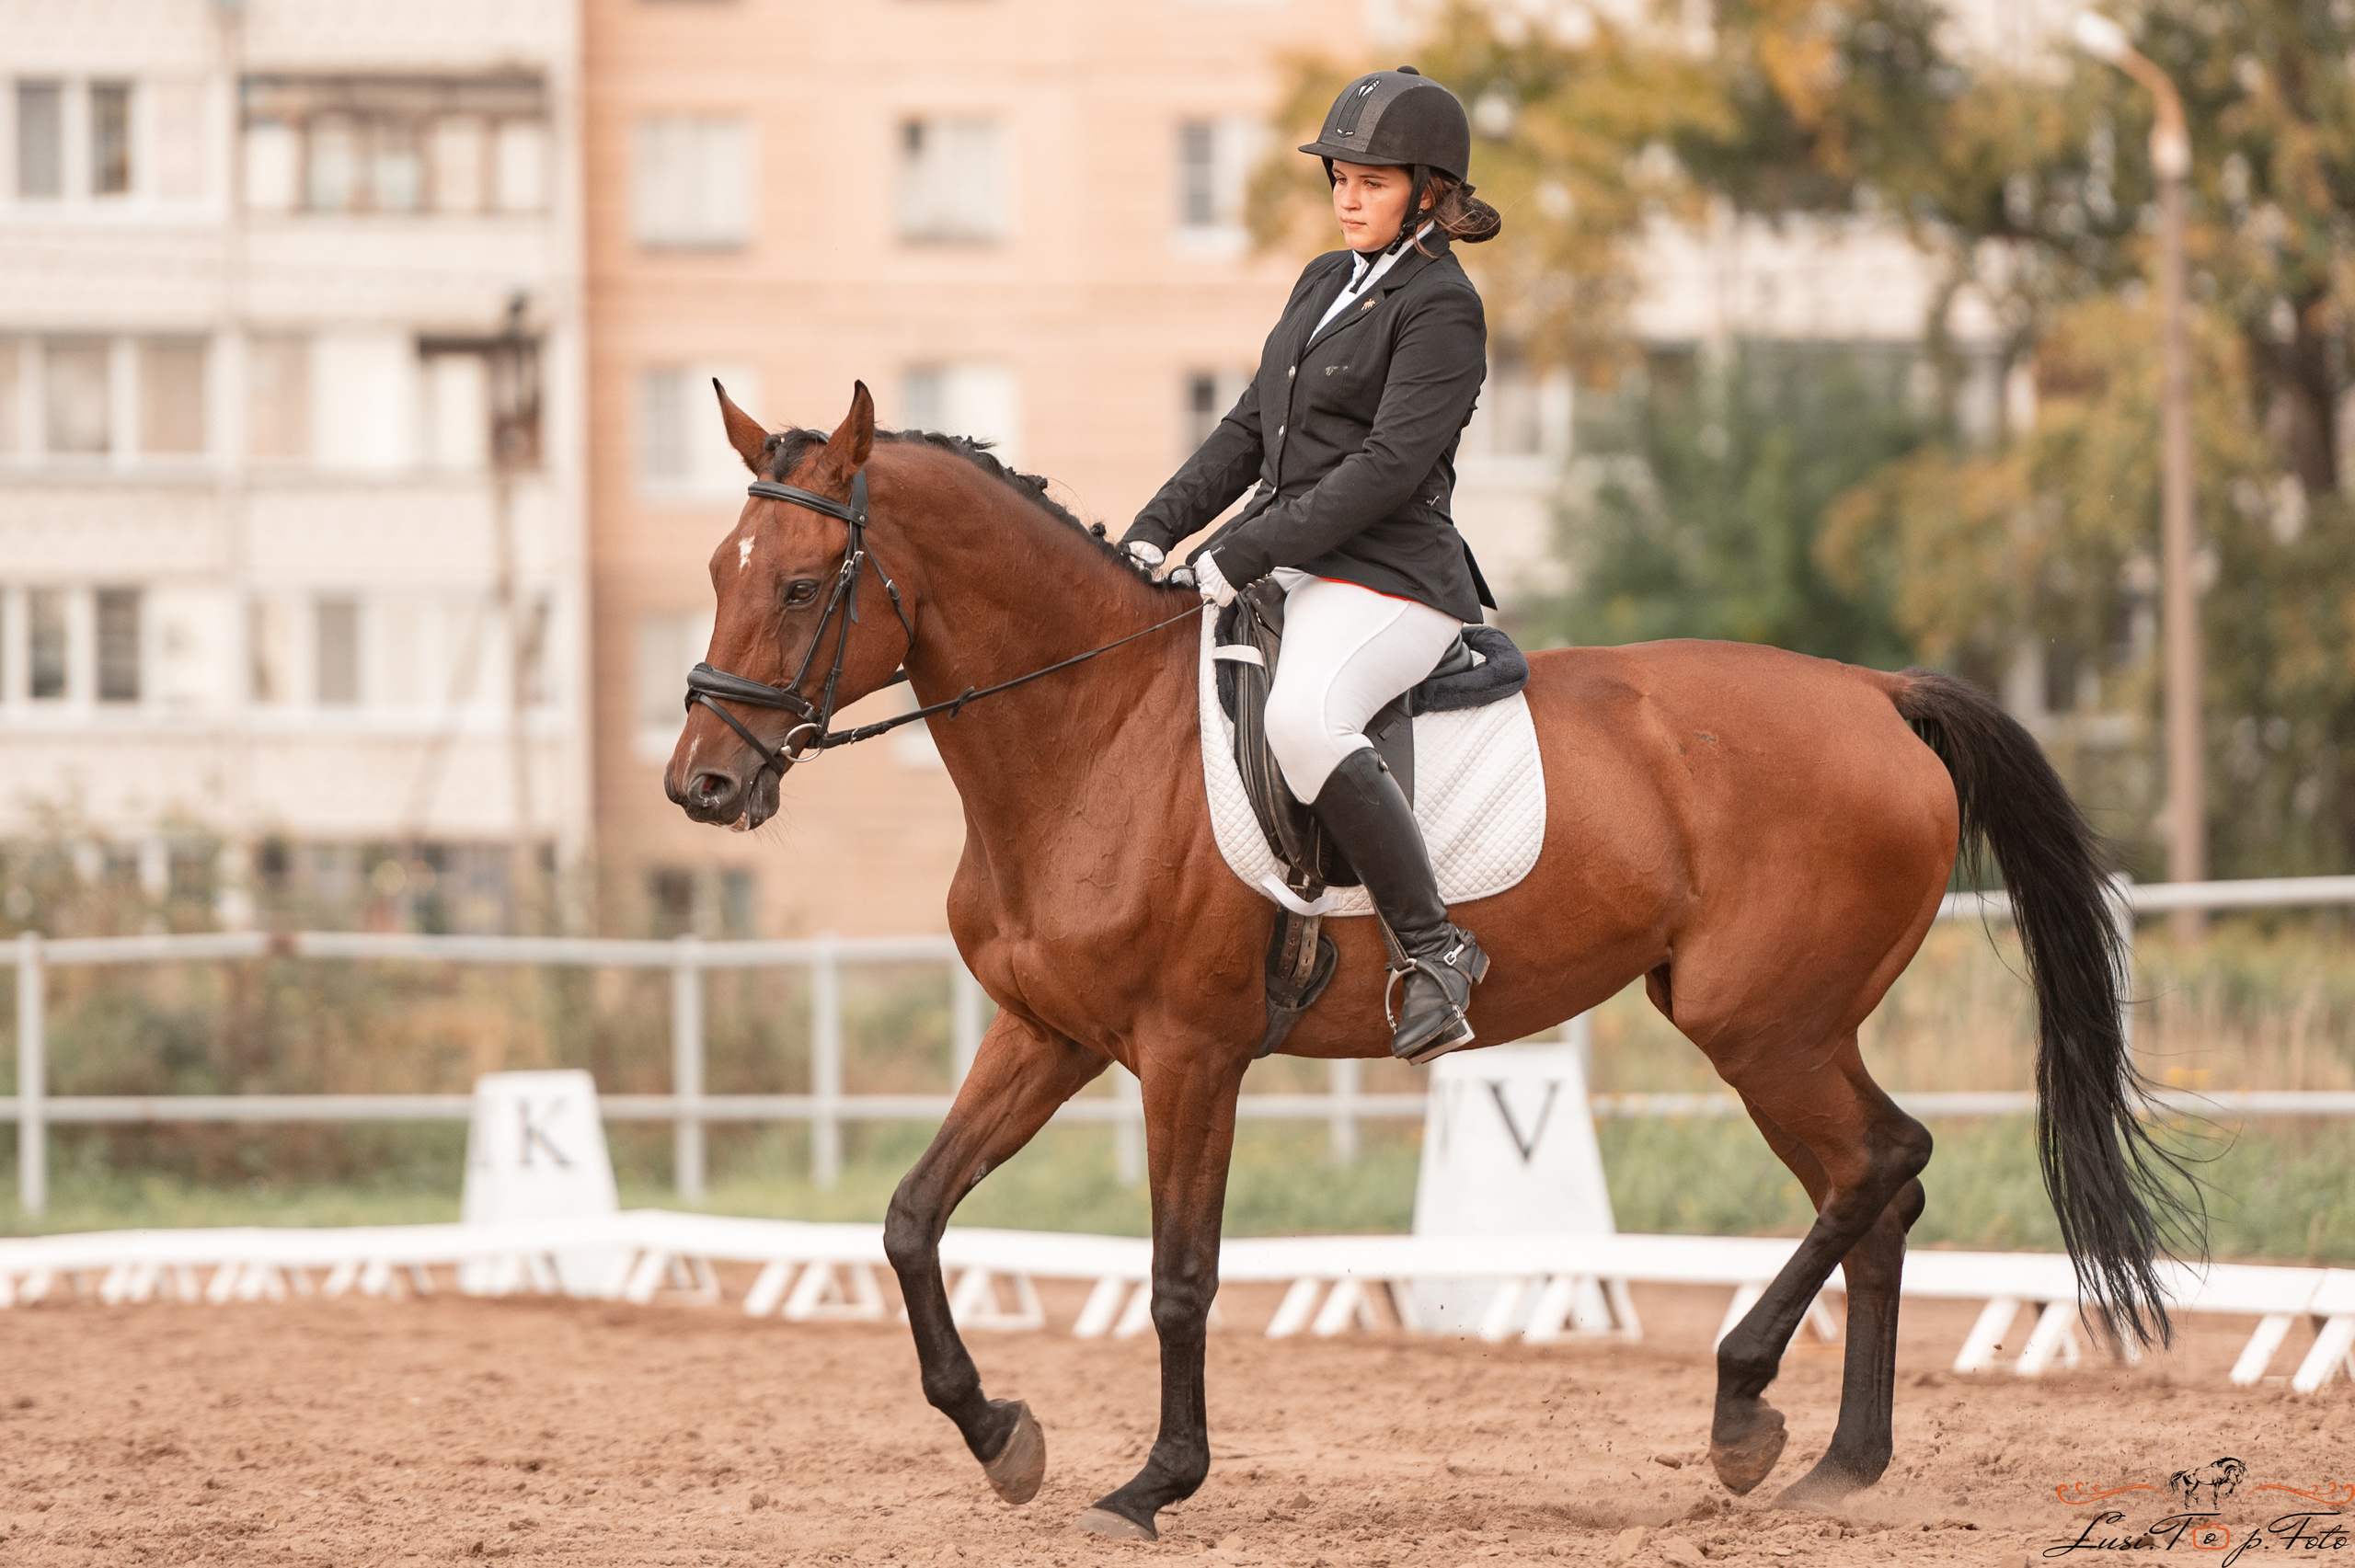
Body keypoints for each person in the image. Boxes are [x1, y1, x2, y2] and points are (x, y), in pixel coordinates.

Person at [1121, 68, 1504, 1063]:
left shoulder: (1442, 310)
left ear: (1428, 191)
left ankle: (1434, 948)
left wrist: (1235, 554)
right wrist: (1153, 533)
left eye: (1369, 182)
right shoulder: (1324, 281)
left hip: (1390, 581)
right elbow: (1250, 429)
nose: (1344, 198)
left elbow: (1384, 470)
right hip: (1299, 564)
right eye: (1338, 177)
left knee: (1302, 716)